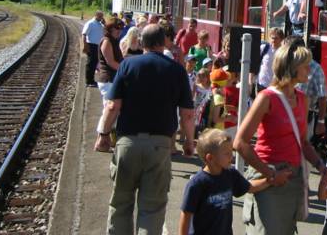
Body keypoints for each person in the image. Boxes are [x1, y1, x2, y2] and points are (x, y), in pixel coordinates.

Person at [97, 24, 195, 234]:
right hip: (160, 147)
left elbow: (113, 106)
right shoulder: (177, 70)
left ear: (141, 42)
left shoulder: (127, 65)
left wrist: (104, 135)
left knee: (121, 204)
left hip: (127, 144)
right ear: (164, 42)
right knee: (152, 209)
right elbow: (187, 114)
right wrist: (189, 142)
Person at [233, 37, 325, 235]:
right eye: (305, 66)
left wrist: (321, 166)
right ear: (291, 68)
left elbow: (303, 142)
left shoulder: (302, 99)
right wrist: (270, 174)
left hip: (292, 180)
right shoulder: (267, 98)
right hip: (268, 179)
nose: (310, 70)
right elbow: (240, 143)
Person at [179, 129, 272, 235]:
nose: (231, 157)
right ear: (210, 158)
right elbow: (186, 215)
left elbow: (249, 187)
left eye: (231, 152)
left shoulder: (230, 174)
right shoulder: (197, 184)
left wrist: (269, 180)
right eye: (226, 153)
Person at [93, 18, 124, 151]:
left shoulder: (113, 41)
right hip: (107, 79)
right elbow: (110, 62)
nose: (119, 31)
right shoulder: (106, 41)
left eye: (120, 28)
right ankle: (101, 141)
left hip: (111, 79)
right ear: (110, 29)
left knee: (110, 109)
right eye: (117, 28)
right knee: (109, 109)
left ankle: (105, 140)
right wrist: (126, 69)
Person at [292, 37, 327, 139]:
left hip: (304, 116)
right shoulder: (286, 64)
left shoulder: (315, 68)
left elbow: (322, 95)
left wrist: (321, 121)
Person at [256, 28, 284, 92]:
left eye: (276, 38)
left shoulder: (283, 51)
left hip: (276, 86)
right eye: (272, 38)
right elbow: (254, 63)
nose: (273, 40)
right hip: (261, 84)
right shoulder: (263, 48)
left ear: (281, 39)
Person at [81, 10, 104, 87]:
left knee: (94, 64)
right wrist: (85, 46)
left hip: (98, 46)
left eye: (102, 16)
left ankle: (92, 80)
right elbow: (84, 34)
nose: (101, 17)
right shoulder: (90, 23)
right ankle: (88, 81)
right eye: (100, 16)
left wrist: (104, 23)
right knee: (90, 64)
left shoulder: (100, 24)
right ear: (96, 15)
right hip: (91, 45)